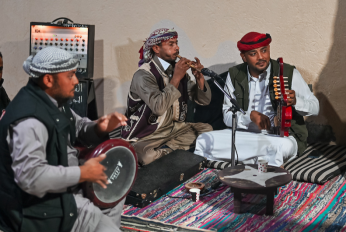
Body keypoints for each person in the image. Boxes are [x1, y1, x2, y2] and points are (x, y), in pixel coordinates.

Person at [0, 47, 128, 232]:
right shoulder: (29, 121)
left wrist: (100, 127)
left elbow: (78, 126)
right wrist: (82, 173)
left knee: (113, 187)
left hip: (64, 185)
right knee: (101, 223)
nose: (76, 81)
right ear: (49, 79)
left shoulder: (53, 101)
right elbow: (31, 178)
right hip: (38, 209)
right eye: (70, 75)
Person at [194, 32, 319, 167]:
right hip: (245, 136)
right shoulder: (235, 74)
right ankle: (259, 161)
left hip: (279, 138)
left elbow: (315, 108)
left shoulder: (287, 72)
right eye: (253, 54)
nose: (261, 57)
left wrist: (296, 101)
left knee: (281, 147)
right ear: (244, 57)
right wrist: (250, 117)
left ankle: (245, 161)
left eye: (264, 50)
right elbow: (227, 116)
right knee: (203, 140)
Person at [111, 28, 212, 165]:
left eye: (176, 43)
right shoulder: (143, 75)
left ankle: (165, 151)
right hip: (147, 133)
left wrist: (199, 78)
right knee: (145, 156)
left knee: (207, 131)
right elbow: (159, 108)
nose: (177, 47)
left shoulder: (178, 71)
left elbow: (203, 100)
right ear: (156, 48)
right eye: (171, 44)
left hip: (172, 129)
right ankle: (170, 151)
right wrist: (176, 77)